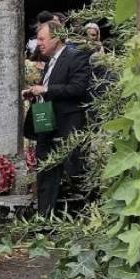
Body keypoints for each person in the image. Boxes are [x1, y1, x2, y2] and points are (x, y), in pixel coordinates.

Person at [22, 20, 93, 216]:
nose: (39, 44)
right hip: (47, 123)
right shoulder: (50, 62)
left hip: (66, 125)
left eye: (42, 39)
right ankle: (44, 219)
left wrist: (46, 89)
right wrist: (37, 93)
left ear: (57, 38)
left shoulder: (76, 56)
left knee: (72, 172)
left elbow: (78, 88)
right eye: (37, 40)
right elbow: (53, 88)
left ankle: (76, 218)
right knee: (45, 171)